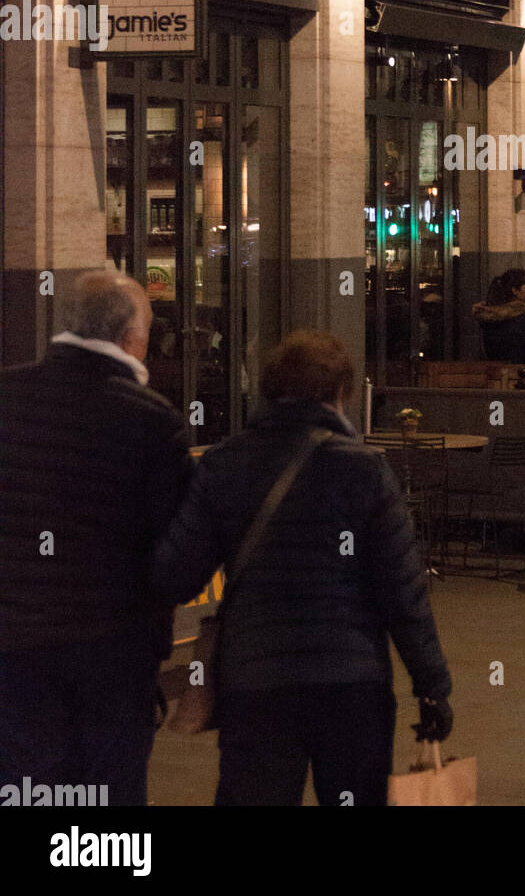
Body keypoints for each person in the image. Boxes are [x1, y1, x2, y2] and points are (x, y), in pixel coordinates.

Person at [151, 330, 452, 806]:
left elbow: (176, 575)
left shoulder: (225, 463)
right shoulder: (366, 470)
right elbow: (404, 594)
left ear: (269, 391)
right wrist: (432, 688)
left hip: (256, 682)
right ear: (341, 393)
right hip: (351, 681)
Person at [0, 271, 190, 806]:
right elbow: (174, 550)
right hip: (116, 648)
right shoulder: (153, 421)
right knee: (109, 795)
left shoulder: (6, 398)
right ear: (132, 337)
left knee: (26, 786)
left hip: (14, 645)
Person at [473, 268, 525, 362]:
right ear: (515, 291)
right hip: (518, 370)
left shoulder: (489, 319)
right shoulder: (522, 319)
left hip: (495, 369)